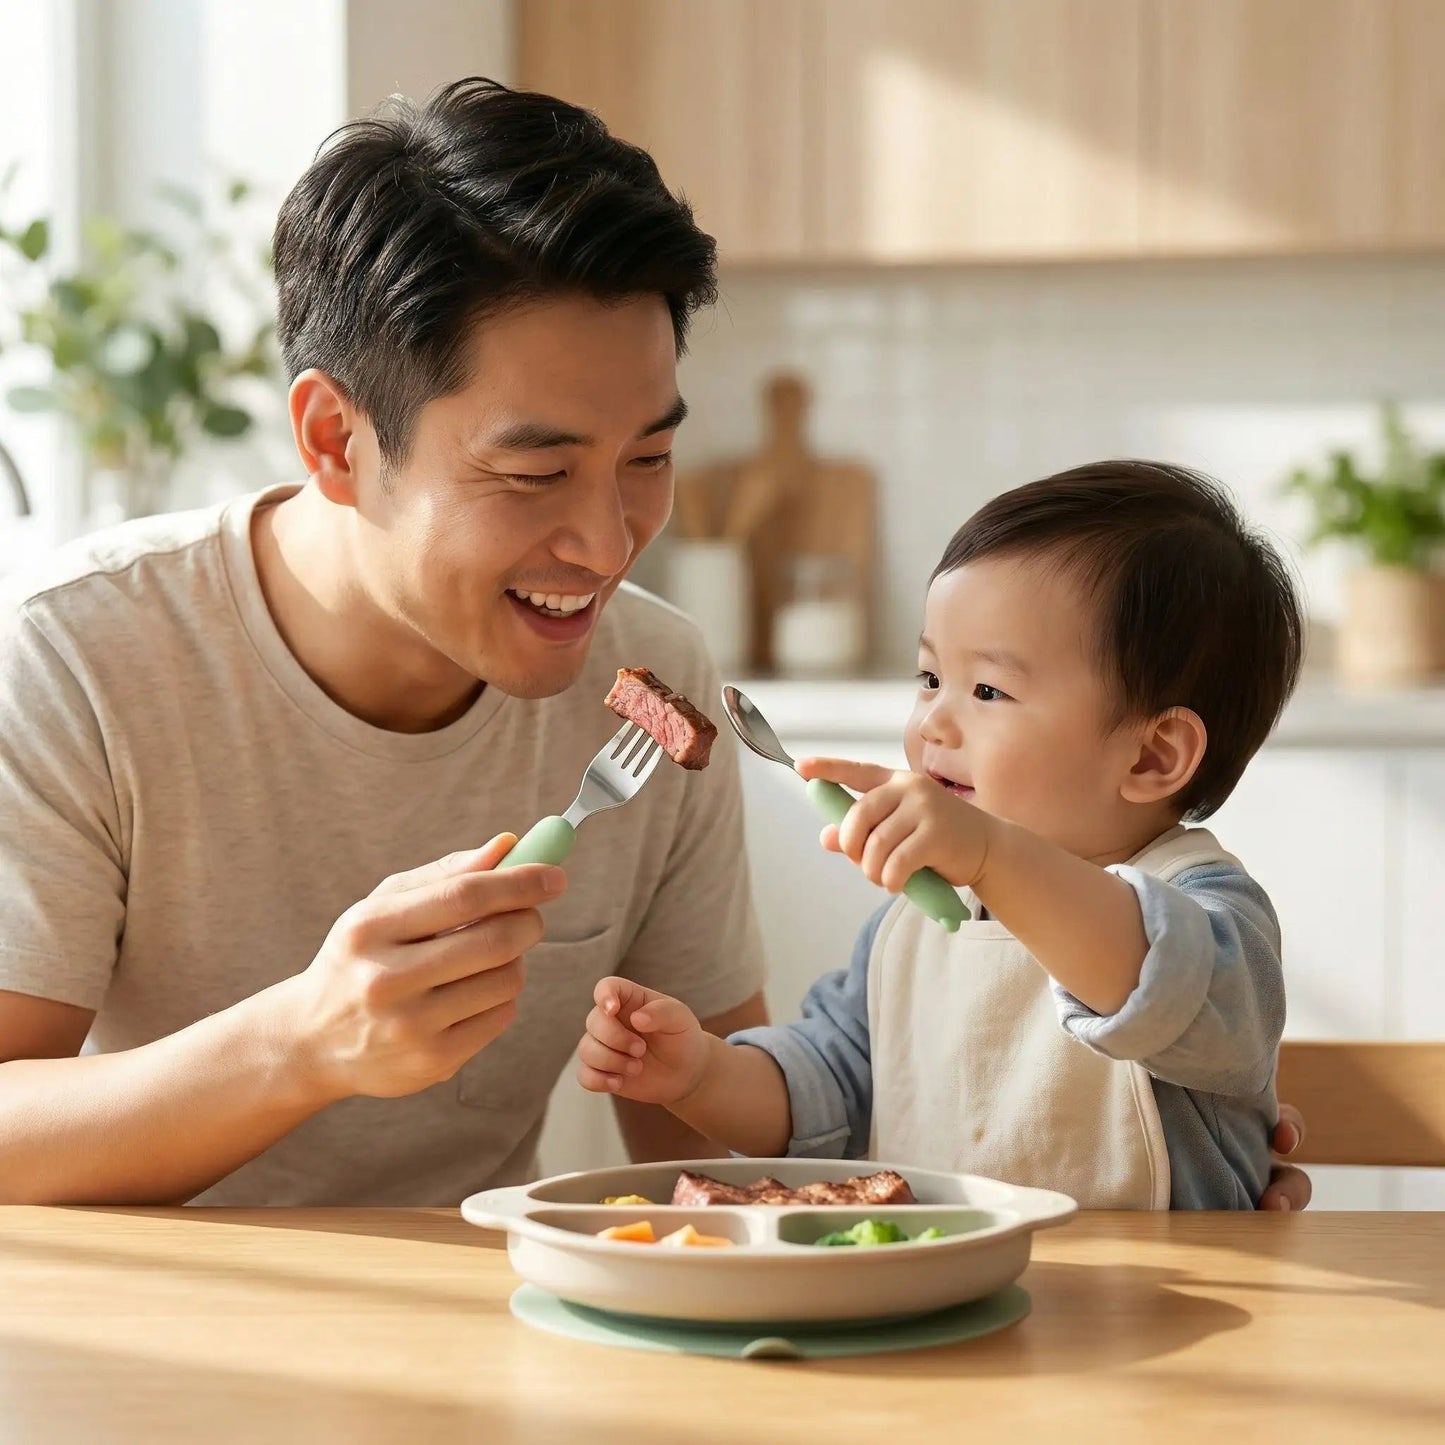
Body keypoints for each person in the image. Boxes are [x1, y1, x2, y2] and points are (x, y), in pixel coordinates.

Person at [0, 79, 769, 1206]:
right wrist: (305, 1041)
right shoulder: (80, 655)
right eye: (535, 472)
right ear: (334, 438)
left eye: (645, 459)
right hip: (148, 1336)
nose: (608, 543)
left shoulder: (650, 682)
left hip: (483, 1324)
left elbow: (701, 1153)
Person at [578, 462, 1314, 1209]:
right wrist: (699, 1073)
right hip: (943, 1297)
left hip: (1164, 1311)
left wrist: (992, 853)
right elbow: (822, 1089)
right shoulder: (914, 924)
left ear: (1151, 755)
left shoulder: (1213, 917)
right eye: (929, 677)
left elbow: (1152, 979)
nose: (932, 720)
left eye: (987, 690)